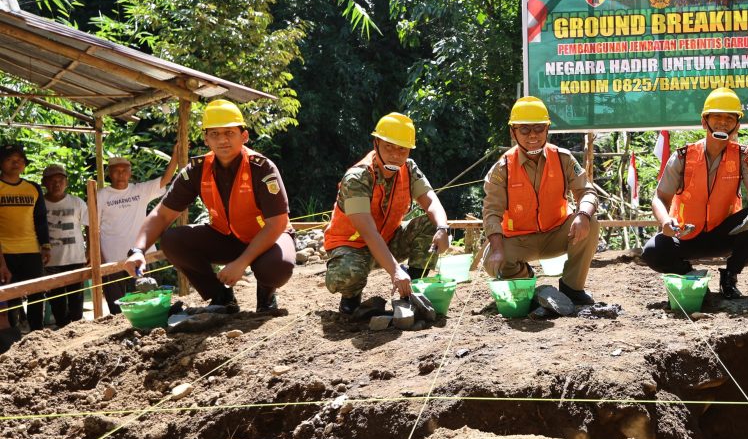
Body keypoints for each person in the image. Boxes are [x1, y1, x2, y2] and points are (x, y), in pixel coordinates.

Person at [123, 99, 294, 312]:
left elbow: (277, 223)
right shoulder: (197, 169)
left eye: (229, 133)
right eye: (214, 134)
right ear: (206, 139)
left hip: (267, 237)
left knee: (276, 268)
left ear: (244, 136)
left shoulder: (262, 168)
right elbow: (162, 215)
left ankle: (266, 295)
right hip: (226, 236)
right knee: (173, 240)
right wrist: (138, 250)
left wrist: (241, 263)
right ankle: (221, 297)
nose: (222, 140)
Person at [640, 87, 748, 299]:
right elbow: (660, 198)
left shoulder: (743, 155)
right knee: (652, 251)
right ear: (705, 122)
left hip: (724, 234)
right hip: (684, 236)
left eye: (729, 119)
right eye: (717, 117)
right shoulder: (683, 156)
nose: (723, 123)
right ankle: (689, 274)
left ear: (737, 125)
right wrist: (666, 222)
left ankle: (730, 277)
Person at [323, 112, 451, 314]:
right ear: (376, 144)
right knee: (346, 274)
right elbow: (368, 232)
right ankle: (351, 299)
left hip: (388, 239)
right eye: (388, 146)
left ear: (409, 150)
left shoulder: (409, 169)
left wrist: (443, 228)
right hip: (352, 245)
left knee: (431, 223)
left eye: (402, 149)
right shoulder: (357, 177)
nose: (395, 154)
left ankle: (414, 288)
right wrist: (395, 271)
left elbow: (431, 200)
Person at [481, 96, 601, 305]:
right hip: (519, 239)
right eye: (525, 130)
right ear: (513, 132)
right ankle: (525, 278)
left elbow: (587, 192)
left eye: (538, 128)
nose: (533, 135)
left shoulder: (562, 158)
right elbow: (492, 212)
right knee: (493, 262)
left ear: (547, 129)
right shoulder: (502, 169)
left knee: (590, 221)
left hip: (557, 233)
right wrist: (498, 250)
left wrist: (582, 215)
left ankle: (572, 288)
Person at [96, 143, 179, 314]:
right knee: (118, 307)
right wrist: (99, 257)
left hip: (142, 256)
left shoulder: (140, 190)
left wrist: (176, 156)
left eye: (124, 170)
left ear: (130, 172)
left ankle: (149, 326)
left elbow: (166, 179)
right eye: (116, 171)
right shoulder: (101, 196)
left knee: (148, 296)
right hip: (113, 259)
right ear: (109, 173)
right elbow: (93, 229)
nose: (121, 174)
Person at [0, 144, 50, 332]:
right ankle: (14, 334)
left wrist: (45, 245)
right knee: (10, 296)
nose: (17, 163)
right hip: (5, 253)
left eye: (20, 160)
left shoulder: (33, 188)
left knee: (37, 292)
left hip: (31, 250)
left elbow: (40, 219)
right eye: (11, 160)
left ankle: (38, 332)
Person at [42, 164, 89, 328]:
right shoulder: (39, 204)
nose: (56, 184)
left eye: (60, 180)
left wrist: (90, 250)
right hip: (50, 261)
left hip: (75, 258)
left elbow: (90, 226)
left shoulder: (77, 202)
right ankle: (63, 331)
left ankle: (77, 331)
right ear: (44, 183)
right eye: (51, 180)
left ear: (66, 182)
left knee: (76, 303)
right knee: (57, 303)